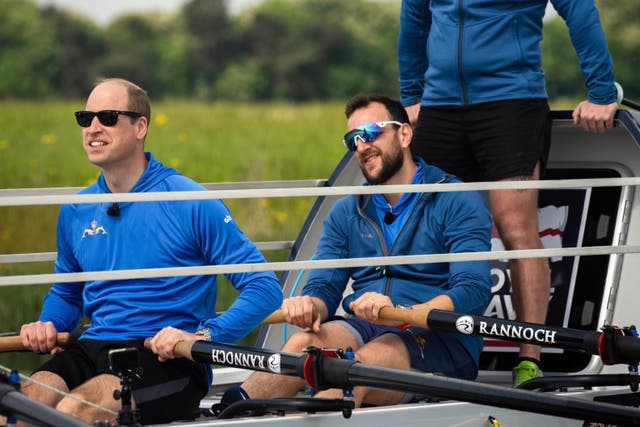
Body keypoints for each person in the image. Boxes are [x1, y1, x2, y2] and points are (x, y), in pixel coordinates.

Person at [18, 78, 283, 425]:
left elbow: (264, 287)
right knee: (23, 404)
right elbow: (68, 293)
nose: (93, 128)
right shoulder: (75, 210)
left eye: (108, 117)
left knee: (74, 412)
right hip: (93, 347)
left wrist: (205, 335)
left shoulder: (190, 202)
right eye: (86, 118)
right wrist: (48, 323)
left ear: (140, 126)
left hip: (166, 358)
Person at [397, 0, 619, 386]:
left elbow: (580, 10)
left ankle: (529, 359)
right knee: (429, 230)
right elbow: (414, 18)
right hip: (440, 106)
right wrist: (411, 93)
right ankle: (424, 350)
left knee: (516, 228)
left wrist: (600, 92)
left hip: (511, 100)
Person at [220, 94, 492, 408]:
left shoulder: (457, 200)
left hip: (438, 337)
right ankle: (232, 410)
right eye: (353, 140)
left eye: (372, 133)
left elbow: (472, 290)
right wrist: (307, 304)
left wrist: (403, 315)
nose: (362, 147)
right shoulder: (345, 212)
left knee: (350, 370)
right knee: (303, 343)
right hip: (365, 326)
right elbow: (323, 289)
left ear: (404, 134)